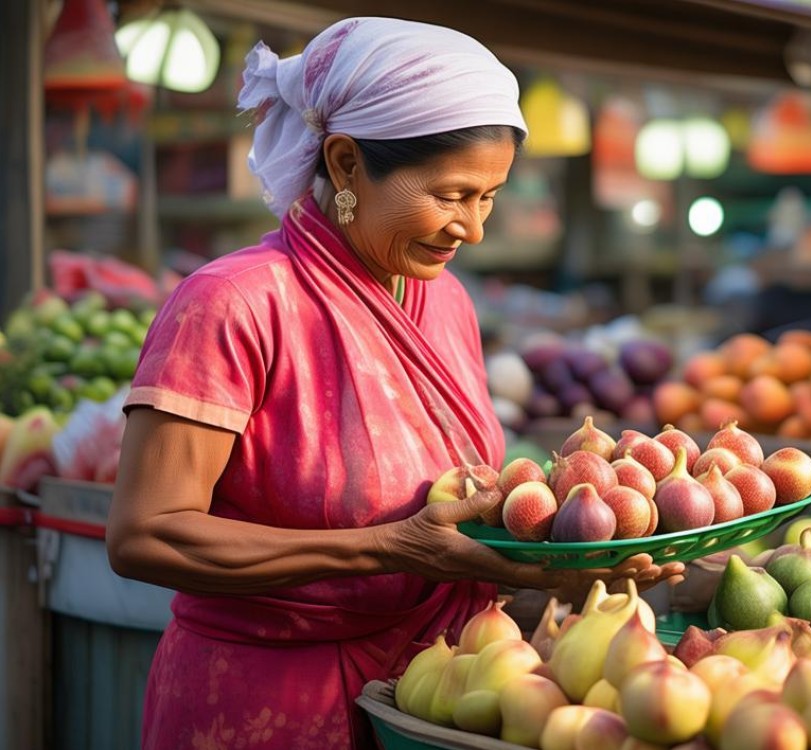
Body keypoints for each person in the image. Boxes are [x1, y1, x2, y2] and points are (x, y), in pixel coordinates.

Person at [106, 18, 681, 750]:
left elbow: (453, 513)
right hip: (263, 705)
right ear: (346, 163)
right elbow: (144, 536)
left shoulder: (445, 300)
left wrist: (555, 566)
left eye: (489, 197)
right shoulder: (233, 303)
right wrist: (385, 549)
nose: (471, 229)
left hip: (436, 694)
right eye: (451, 195)